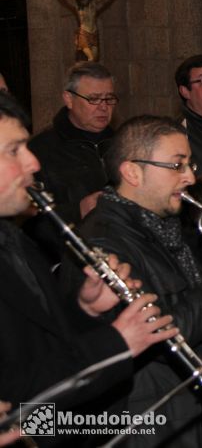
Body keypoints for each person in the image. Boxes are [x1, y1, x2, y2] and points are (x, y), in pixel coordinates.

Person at [61, 115, 202, 447]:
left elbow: (199, 316)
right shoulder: (104, 239)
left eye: (190, 164)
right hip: (158, 424)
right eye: (177, 165)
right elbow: (165, 333)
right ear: (132, 172)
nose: (191, 176)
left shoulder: (162, 227)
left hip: (199, 412)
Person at [0, 92, 176, 441]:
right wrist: (118, 343)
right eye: (13, 150)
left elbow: (42, 342)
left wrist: (84, 309)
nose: (34, 163)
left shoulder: (17, 238)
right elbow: (17, 391)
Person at [26, 61, 118, 264]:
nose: (103, 107)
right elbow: (30, 224)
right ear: (68, 99)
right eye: (93, 99)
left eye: (109, 98)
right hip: (70, 262)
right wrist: (79, 210)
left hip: (124, 253)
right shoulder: (39, 151)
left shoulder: (124, 144)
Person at [41, 0, 124, 61]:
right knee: (91, 58)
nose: (83, 1)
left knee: (94, 60)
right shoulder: (76, 2)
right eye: (81, 0)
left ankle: (86, 73)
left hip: (94, 33)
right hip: (84, 33)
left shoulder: (93, 3)